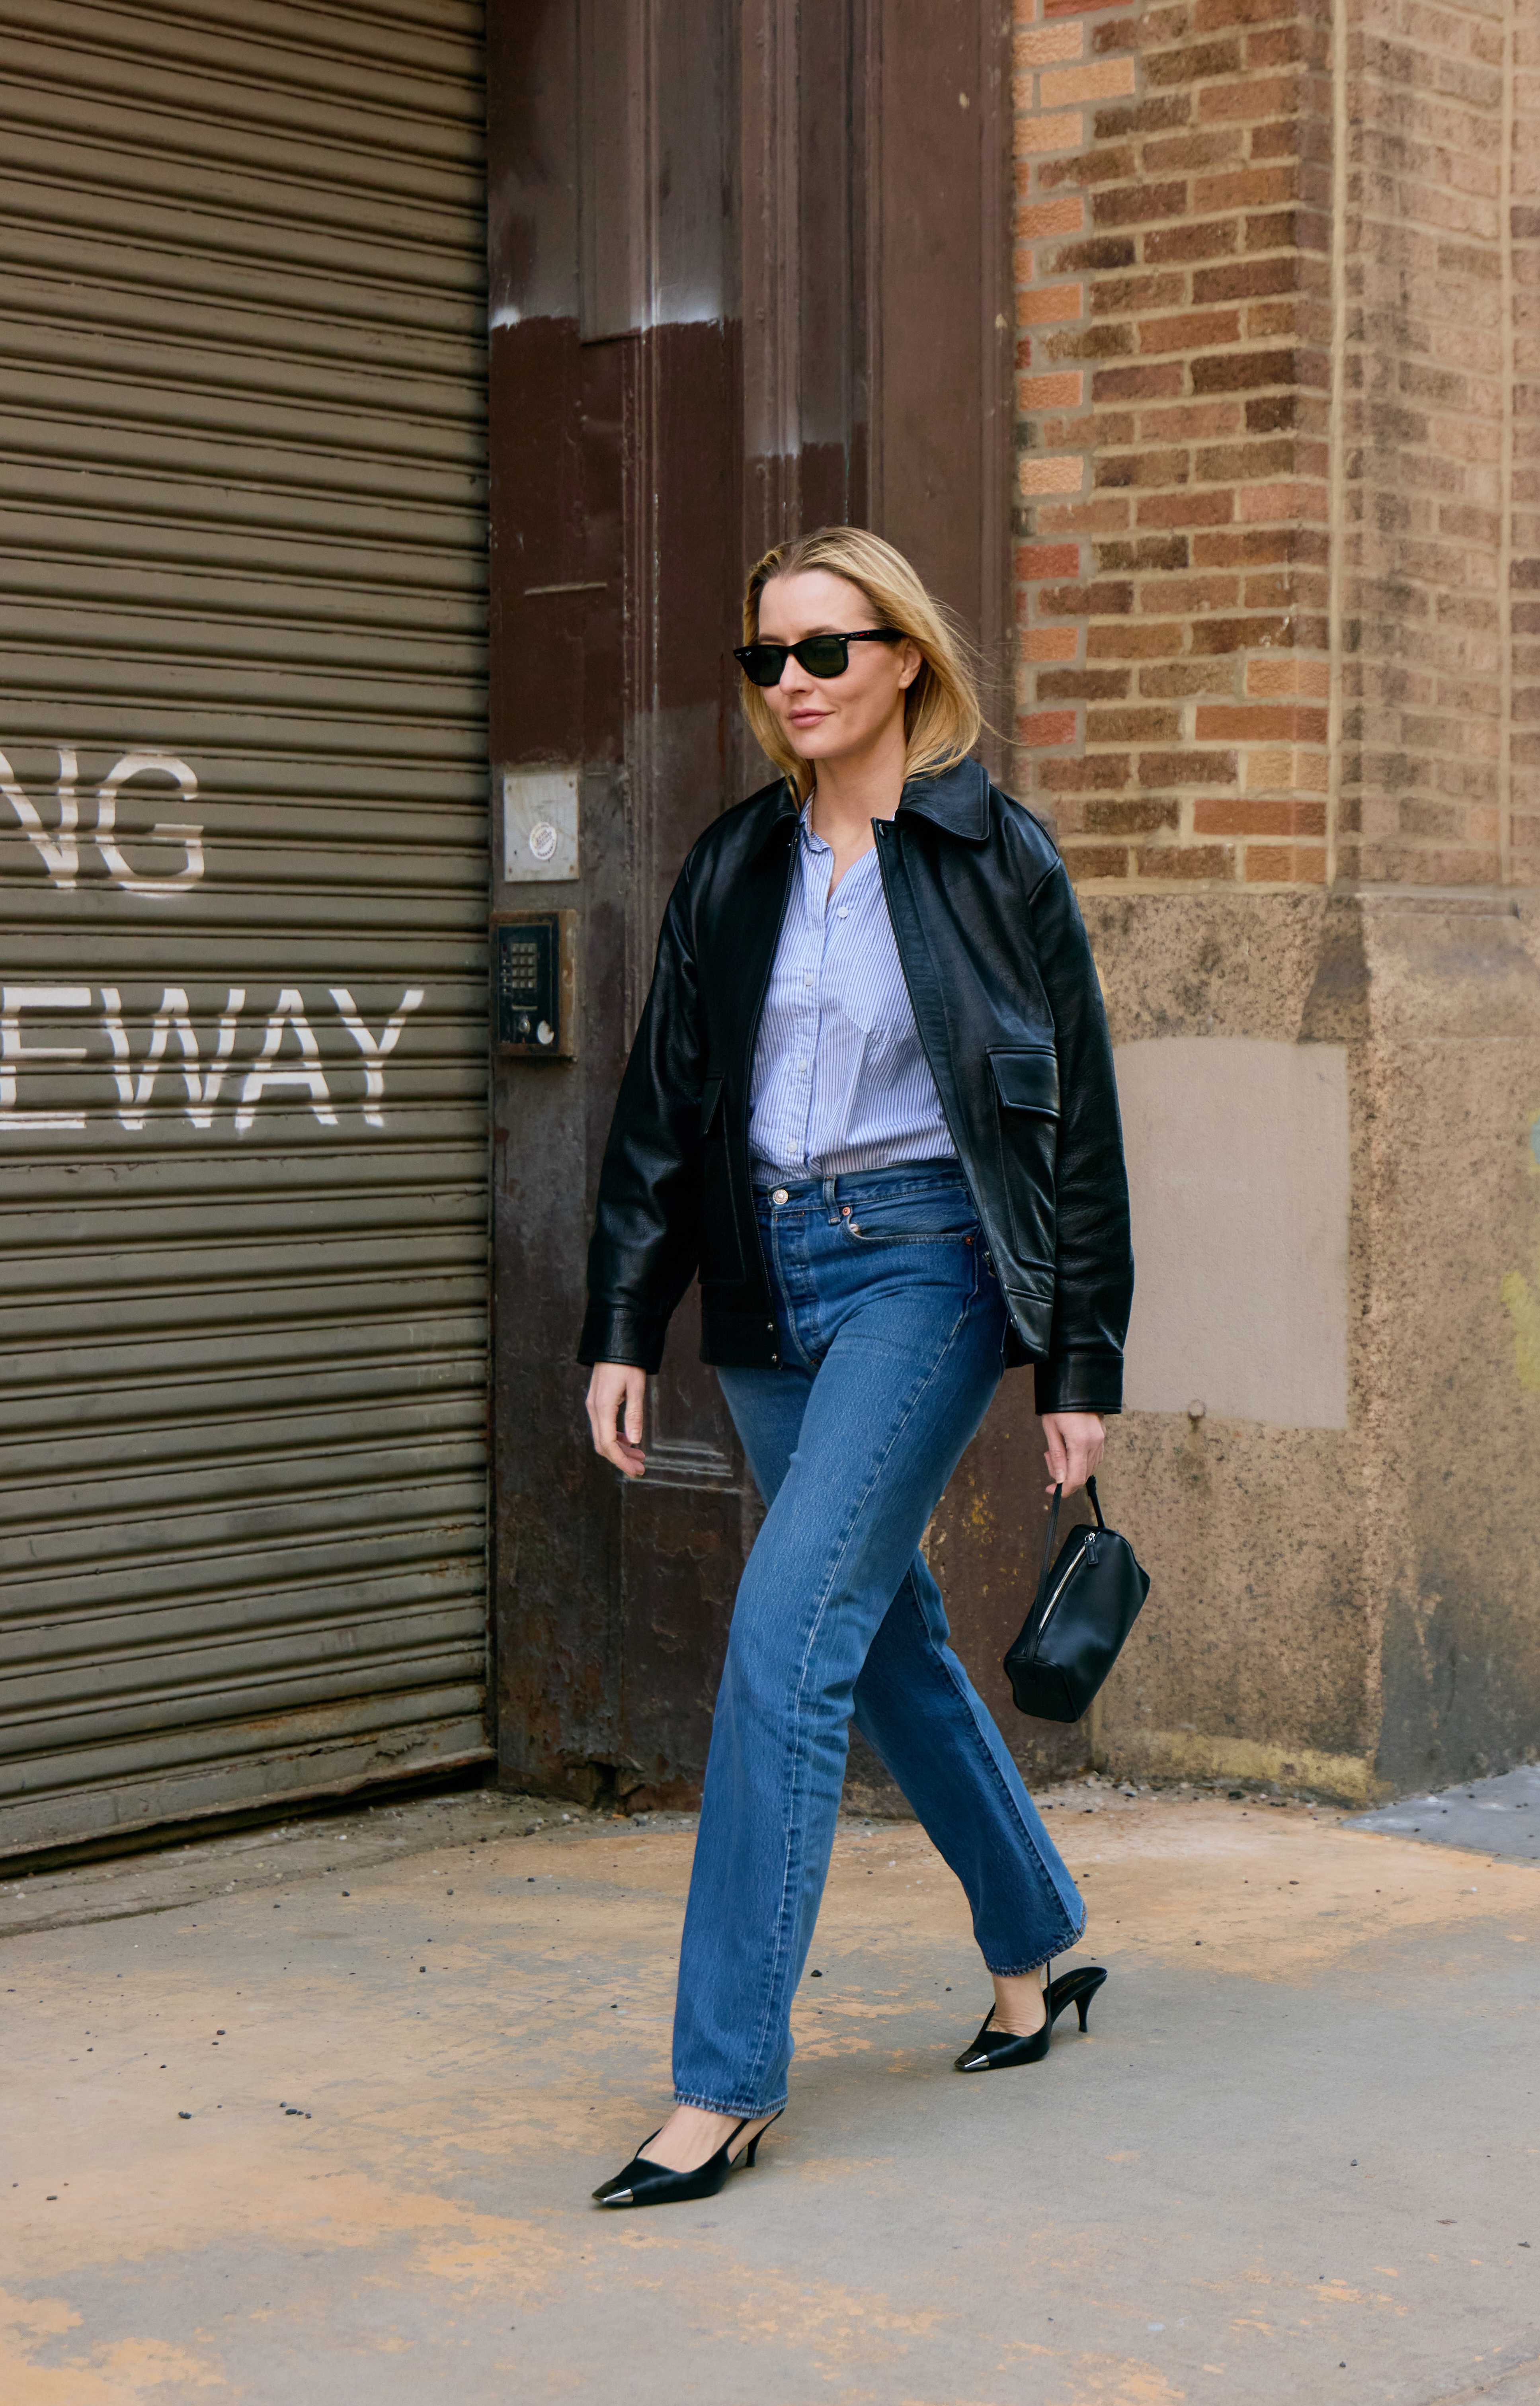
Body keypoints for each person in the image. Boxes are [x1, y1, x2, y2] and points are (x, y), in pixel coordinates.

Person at [579, 525, 1133, 2208]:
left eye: (829, 650)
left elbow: (1076, 1130)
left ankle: (723, 2082)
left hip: (925, 1265)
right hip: (764, 1278)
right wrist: (622, 1323)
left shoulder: (995, 858)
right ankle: (1034, 1940)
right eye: (771, 657)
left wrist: (1081, 1363)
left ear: (905, 658)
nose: (796, 684)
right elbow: (664, 1108)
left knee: (788, 1635)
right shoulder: (735, 862)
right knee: (880, 1632)